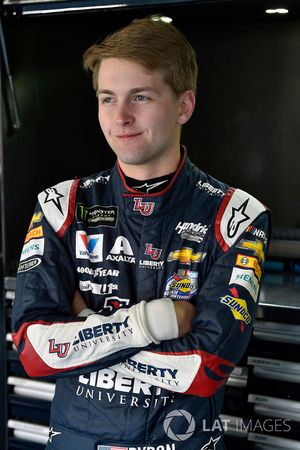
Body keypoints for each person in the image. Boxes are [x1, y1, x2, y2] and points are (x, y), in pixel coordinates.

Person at [12, 16, 271, 450]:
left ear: (184, 106)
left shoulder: (237, 215)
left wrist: (83, 326)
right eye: (107, 98)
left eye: (141, 97)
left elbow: (205, 367)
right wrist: (152, 322)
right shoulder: (60, 205)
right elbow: (35, 352)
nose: (121, 117)